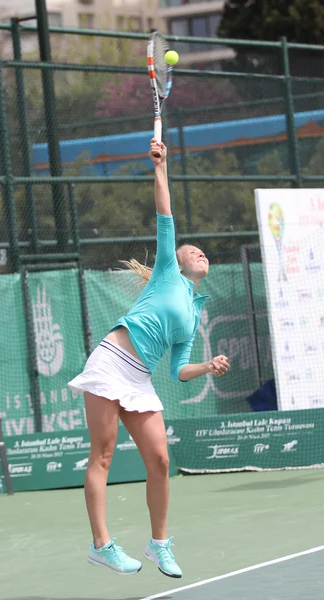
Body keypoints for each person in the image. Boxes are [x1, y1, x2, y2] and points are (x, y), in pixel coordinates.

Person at [68, 139, 229, 579]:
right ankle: (101, 545)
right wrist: (160, 168)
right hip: (111, 361)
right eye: (191, 250)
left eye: (203, 252)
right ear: (176, 261)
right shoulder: (166, 272)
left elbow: (179, 371)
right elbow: (166, 215)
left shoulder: (194, 313)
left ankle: (159, 545)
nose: (200, 252)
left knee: (159, 460)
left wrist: (207, 367)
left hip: (140, 378)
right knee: (101, 455)